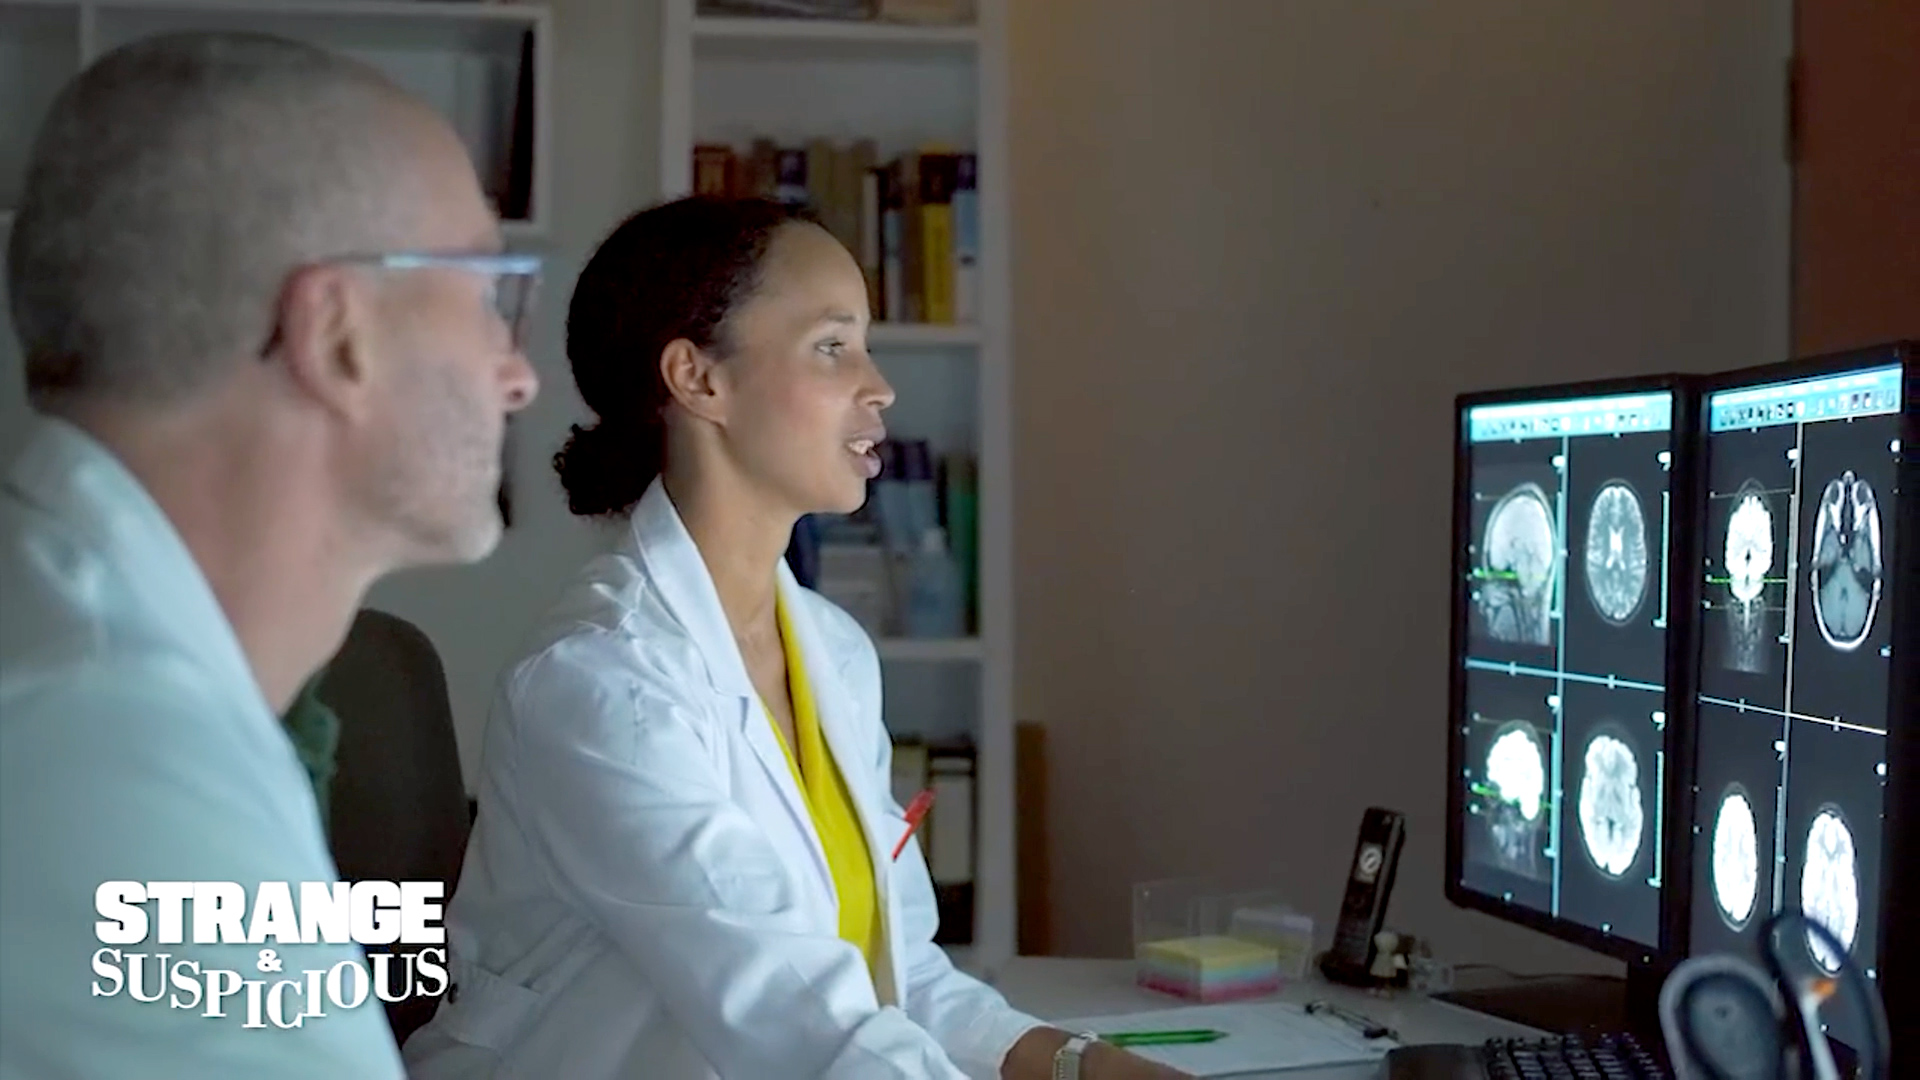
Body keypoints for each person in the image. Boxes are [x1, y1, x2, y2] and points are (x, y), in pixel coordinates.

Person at [402, 196, 1184, 1080]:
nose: (879, 386)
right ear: (698, 380)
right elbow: (804, 1023)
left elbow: (902, 986)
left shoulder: (832, 651)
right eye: (831, 346)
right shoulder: (599, 682)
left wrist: (1089, 1067)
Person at [0, 31, 539, 1078]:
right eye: (486, 294)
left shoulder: (95, 663)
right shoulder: (112, 758)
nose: (518, 376)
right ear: (337, 336)